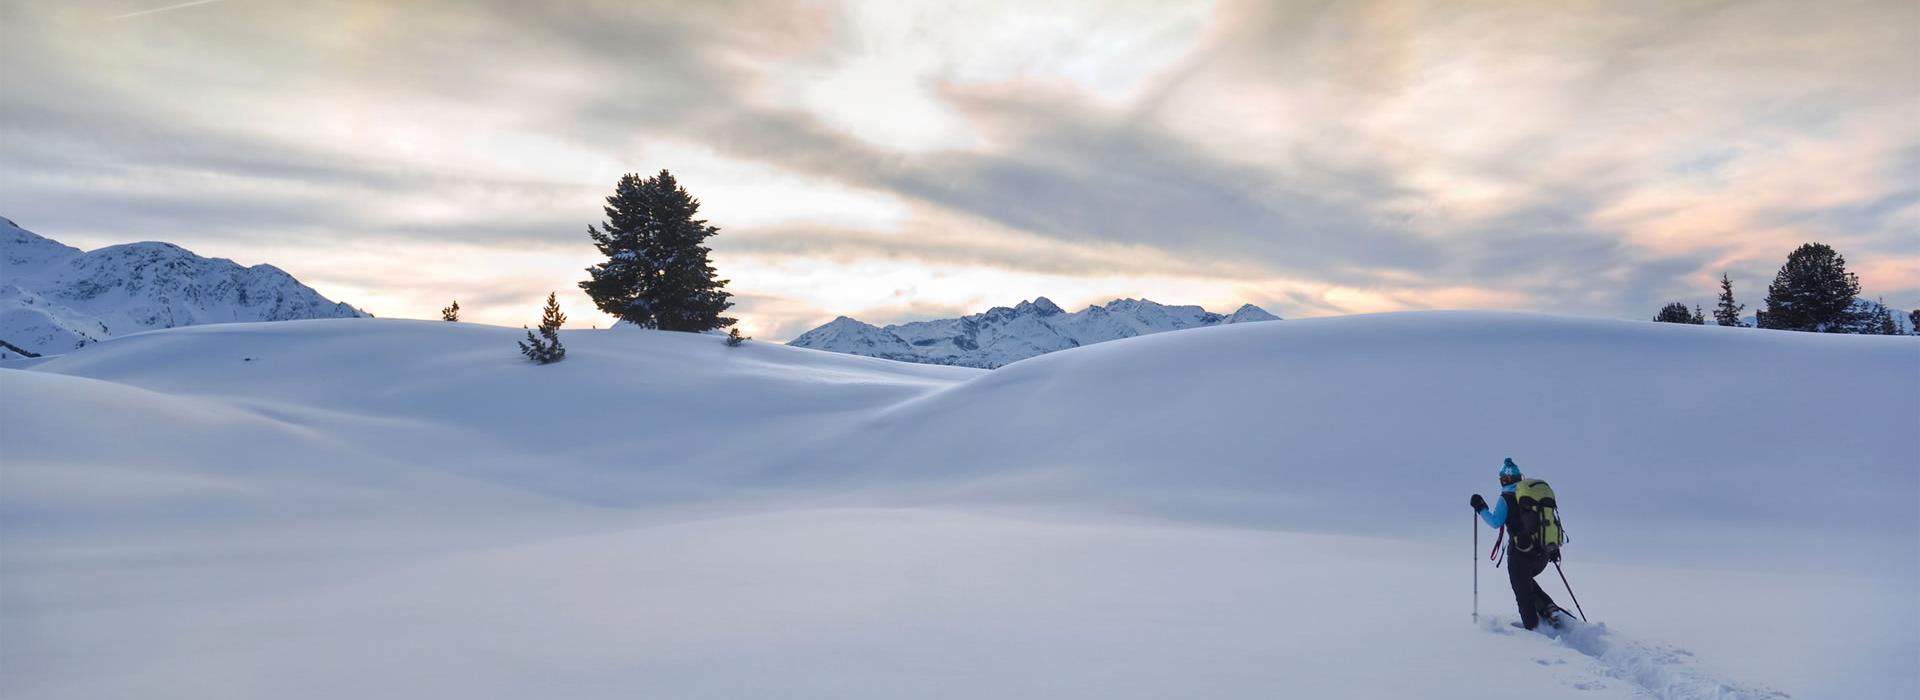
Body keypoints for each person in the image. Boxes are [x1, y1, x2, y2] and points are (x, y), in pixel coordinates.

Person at [1471, 458, 1568, 630]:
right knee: (1526, 580)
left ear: (1504, 480)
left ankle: (1532, 628)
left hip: (1520, 554)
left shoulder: (1506, 498)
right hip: (1543, 554)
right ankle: (1549, 607)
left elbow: (1495, 522)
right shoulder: (1532, 495)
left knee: (1522, 592)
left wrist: (1480, 508)